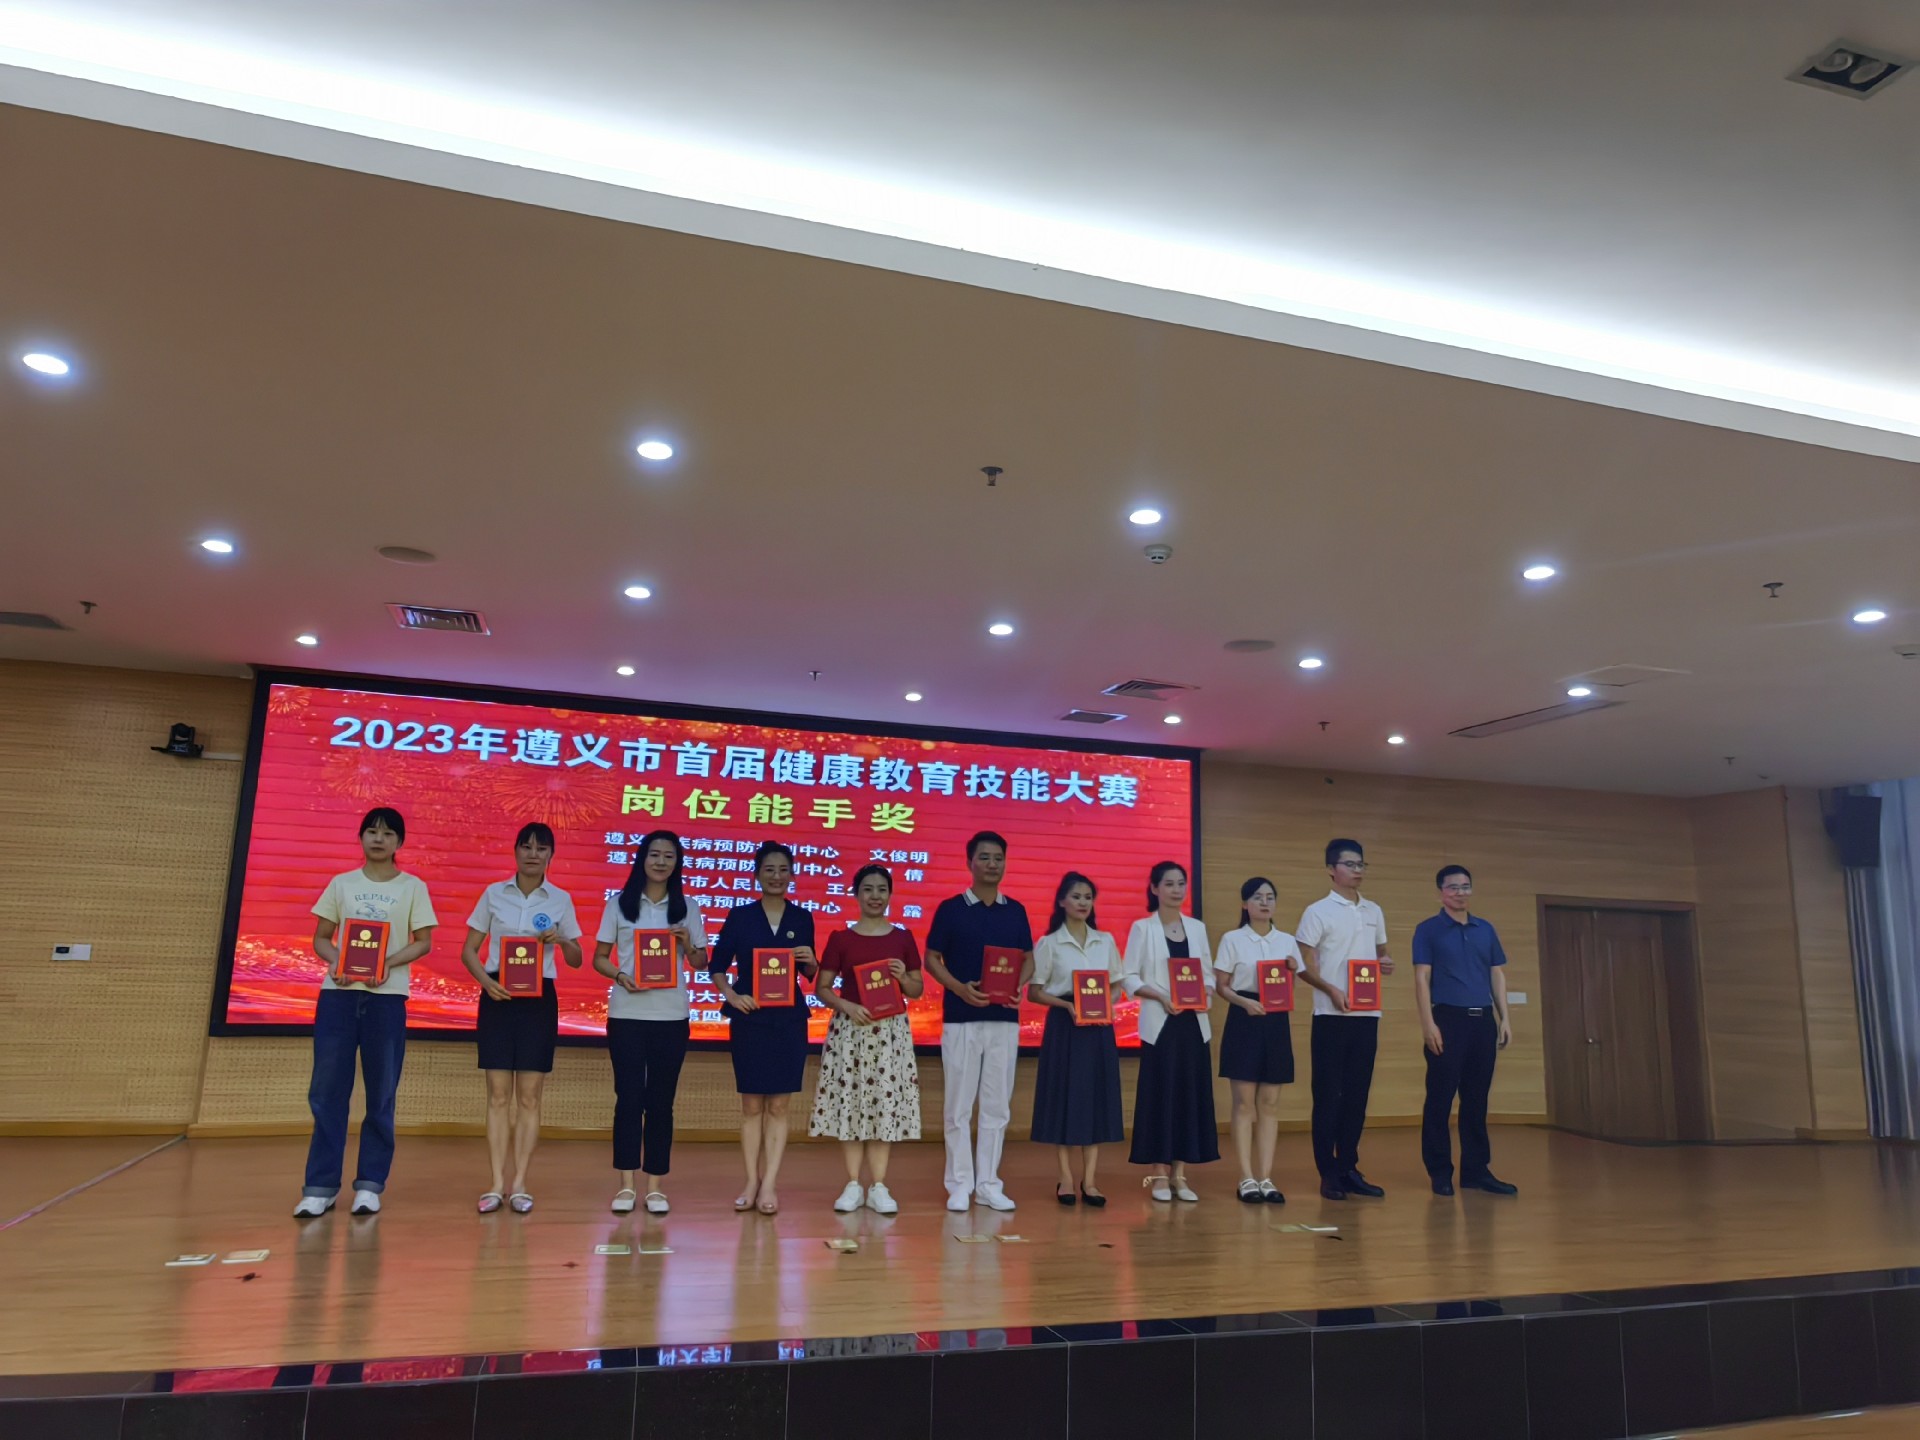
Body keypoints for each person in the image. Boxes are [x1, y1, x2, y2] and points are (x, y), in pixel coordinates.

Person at [295, 807, 436, 1218]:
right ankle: (320, 1188)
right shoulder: (342, 884)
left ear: (399, 842)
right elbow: (322, 938)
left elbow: (423, 941)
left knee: (381, 1092)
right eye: (372, 831)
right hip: (338, 997)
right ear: (360, 837)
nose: (379, 839)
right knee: (327, 1093)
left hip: (386, 999)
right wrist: (337, 961)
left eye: (388, 833)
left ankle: (370, 1185)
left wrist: (387, 963)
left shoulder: (413, 887)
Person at [459, 822, 583, 1215]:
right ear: (515, 851)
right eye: (526, 846)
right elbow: (469, 950)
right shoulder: (494, 894)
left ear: (551, 855)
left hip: (538, 1000)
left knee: (529, 1097)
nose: (533, 854)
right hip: (497, 995)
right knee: (498, 1095)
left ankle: (520, 1185)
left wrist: (561, 940)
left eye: (541, 848)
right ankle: (496, 1184)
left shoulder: (560, 899)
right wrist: (486, 983)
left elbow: (577, 959)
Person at [593, 830, 708, 1216]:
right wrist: (620, 975)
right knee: (628, 1098)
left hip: (671, 1016)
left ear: (677, 864)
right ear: (642, 859)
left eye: (669, 856)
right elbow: (600, 958)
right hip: (626, 1014)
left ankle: (655, 1186)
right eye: (654, 854)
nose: (661, 862)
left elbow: (701, 962)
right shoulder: (619, 905)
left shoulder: (688, 907)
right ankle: (626, 1184)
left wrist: (687, 943)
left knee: (661, 1102)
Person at [924, 831, 1034, 1212]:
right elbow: (931, 958)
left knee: (996, 1106)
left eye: (998, 858)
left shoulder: (1015, 910)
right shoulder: (951, 909)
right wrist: (958, 988)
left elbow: (1028, 959)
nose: (992, 864)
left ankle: (988, 1184)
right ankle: (959, 1184)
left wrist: (1018, 986)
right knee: (958, 1106)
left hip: (1004, 1021)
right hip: (962, 1020)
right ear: (969, 862)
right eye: (984, 857)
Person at [808, 864, 924, 1214]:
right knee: (850, 1103)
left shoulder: (902, 938)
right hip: (851, 1031)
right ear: (856, 894)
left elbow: (916, 990)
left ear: (890, 895)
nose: (875, 896)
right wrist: (846, 1006)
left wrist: (903, 978)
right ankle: (853, 1184)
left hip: (889, 1033)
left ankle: (879, 1186)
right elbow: (822, 987)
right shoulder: (841, 939)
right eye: (868, 889)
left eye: (882, 890)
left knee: (882, 1105)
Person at [712, 841, 818, 1216]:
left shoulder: (802, 918)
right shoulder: (740, 916)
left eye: (783, 869)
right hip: (750, 1019)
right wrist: (732, 995)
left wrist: (811, 960)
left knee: (779, 1105)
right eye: (769, 869)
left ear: (792, 875)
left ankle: (770, 1182)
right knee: (752, 1105)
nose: (777, 876)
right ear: (757, 874)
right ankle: (750, 1181)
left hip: (788, 1021)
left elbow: (810, 972)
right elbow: (717, 966)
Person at [1296, 838, 1394, 1201]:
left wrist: (1385, 964)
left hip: (1367, 1014)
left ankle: (1349, 1166)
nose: (1357, 870)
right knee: (1328, 1096)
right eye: (1350, 864)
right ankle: (1328, 1172)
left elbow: (1380, 954)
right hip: (1331, 1015)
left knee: (1357, 1095)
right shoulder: (1317, 911)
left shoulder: (1373, 910)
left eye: (1361, 864)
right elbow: (1302, 964)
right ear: (1330, 869)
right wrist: (1331, 989)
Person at [1414, 864, 1518, 1197]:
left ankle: (1476, 1171)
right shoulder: (1428, 930)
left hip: (1482, 1021)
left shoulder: (1485, 929)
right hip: (1447, 1019)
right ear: (1440, 892)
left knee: (1476, 1099)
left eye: (1465, 886)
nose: (1461, 893)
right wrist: (1428, 1024)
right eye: (1453, 887)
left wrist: (1505, 1018)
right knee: (1440, 1098)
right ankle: (1440, 1171)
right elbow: (1422, 978)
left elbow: (1496, 974)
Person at [1027, 872, 1125, 1206]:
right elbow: (1035, 992)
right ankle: (1066, 1178)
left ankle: (1091, 1181)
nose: (1083, 903)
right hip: (1065, 1026)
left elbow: (1116, 984)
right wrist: (1067, 1005)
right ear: (1062, 902)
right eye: (1076, 896)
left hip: (1098, 1028)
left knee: (1095, 1100)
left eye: (1088, 897)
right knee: (1064, 1099)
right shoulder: (1050, 943)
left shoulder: (1105, 941)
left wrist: (1106, 1003)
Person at [1123, 860, 1218, 1201]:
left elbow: (1207, 973)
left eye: (1181, 883)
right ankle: (1159, 1175)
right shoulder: (1142, 928)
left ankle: (1180, 1174)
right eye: (1169, 884)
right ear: (1154, 888)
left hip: (1193, 1024)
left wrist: (1207, 994)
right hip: (1160, 1024)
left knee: (1188, 1096)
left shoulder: (1196, 928)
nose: (1177, 890)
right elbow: (1128, 977)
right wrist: (1161, 996)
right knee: (1161, 1096)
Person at [1214, 876, 1304, 1204]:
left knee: (1269, 1103)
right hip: (1244, 1018)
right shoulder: (1233, 939)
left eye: (1270, 897)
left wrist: (1292, 972)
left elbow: (1289, 988)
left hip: (1276, 1022)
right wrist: (1243, 1002)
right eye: (1257, 897)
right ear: (1244, 904)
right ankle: (1246, 1177)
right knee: (1243, 1103)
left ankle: (1266, 1177)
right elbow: (1221, 985)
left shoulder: (1287, 941)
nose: (1265, 903)